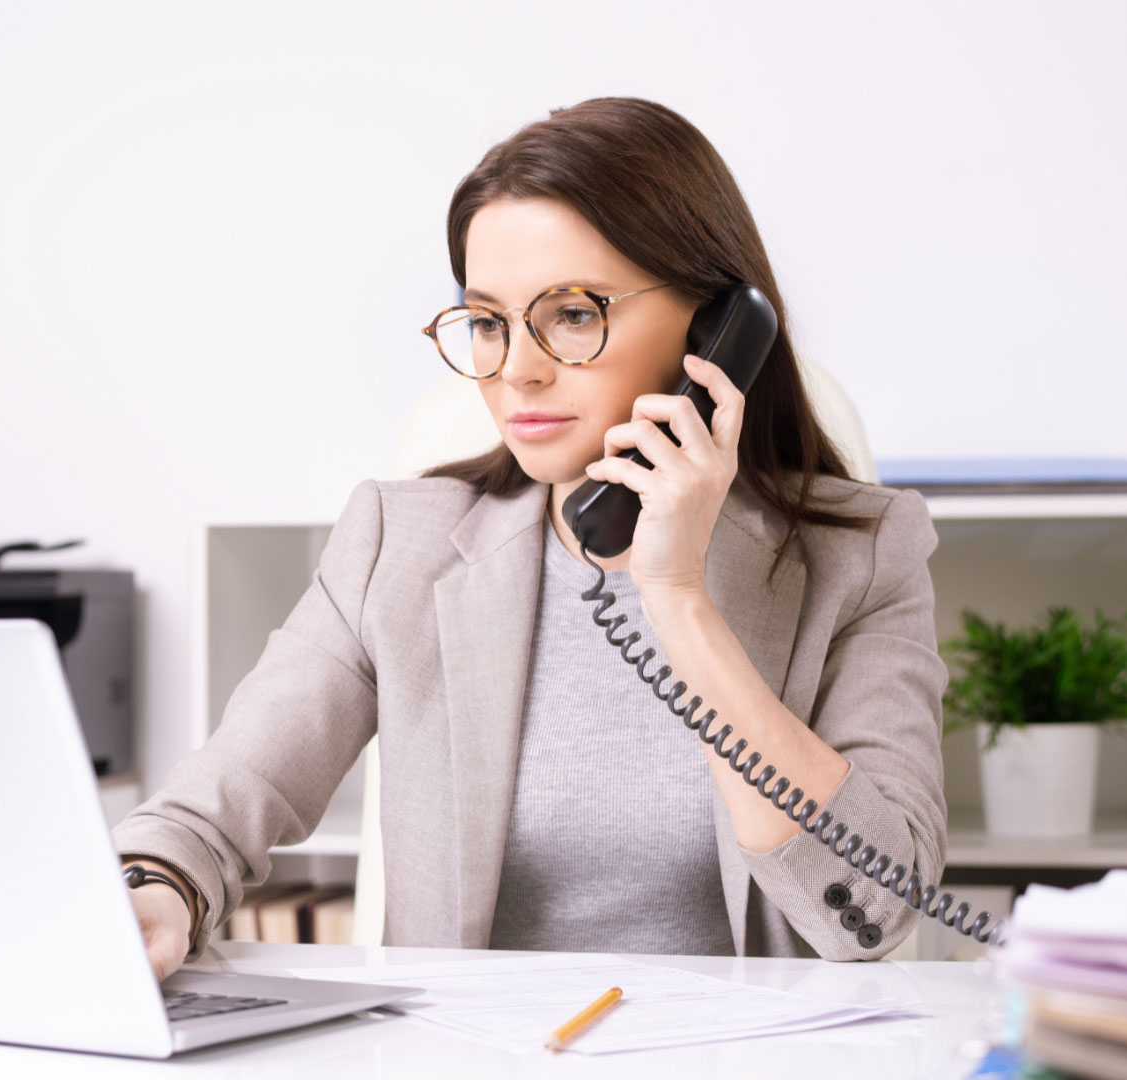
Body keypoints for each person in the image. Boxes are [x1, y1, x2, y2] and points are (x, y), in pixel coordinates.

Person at [113, 96, 949, 982]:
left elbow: (873, 913)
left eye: (574, 314)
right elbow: (216, 809)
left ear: (714, 331)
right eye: (487, 322)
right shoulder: (398, 547)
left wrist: (676, 598)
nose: (518, 368)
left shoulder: (863, 556)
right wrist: (153, 890)